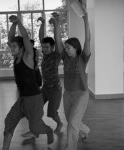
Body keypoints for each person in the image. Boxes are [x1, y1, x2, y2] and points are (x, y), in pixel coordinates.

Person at [2, 15, 53, 150]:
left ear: (22, 48)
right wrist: (13, 25)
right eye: (10, 46)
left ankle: (48, 130)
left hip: (34, 99)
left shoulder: (28, 56)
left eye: (14, 46)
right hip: (22, 99)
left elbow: (25, 38)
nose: (11, 48)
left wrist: (19, 23)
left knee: (35, 127)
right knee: (9, 121)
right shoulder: (16, 56)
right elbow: (11, 38)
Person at [53, 8, 91, 150]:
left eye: (69, 48)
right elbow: (57, 40)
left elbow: (87, 39)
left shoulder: (83, 58)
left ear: (76, 48)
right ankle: (86, 130)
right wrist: (57, 24)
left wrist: (86, 20)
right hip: (68, 94)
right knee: (71, 121)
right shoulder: (66, 58)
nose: (66, 50)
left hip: (81, 94)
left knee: (72, 124)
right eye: (66, 48)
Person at [22, 13, 63, 139]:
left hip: (55, 89)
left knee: (51, 114)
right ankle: (35, 131)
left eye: (46, 47)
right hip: (45, 88)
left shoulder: (56, 56)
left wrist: (56, 24)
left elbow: (57, 39)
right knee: (35, 108)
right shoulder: (45, 54)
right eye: (43, 47)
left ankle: (60, 123)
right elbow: (41, 37)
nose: (44, 49)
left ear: (52, 47)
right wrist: (43, 24)